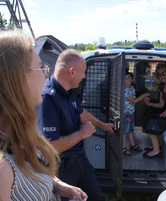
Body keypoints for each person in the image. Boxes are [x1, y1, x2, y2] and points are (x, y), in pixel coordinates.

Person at [0, 30, 87, 201]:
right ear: (16, 77)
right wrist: (82, 133)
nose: (45, 75)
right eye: (40, 67)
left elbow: (33, 166)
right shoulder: (3, 169)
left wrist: (55, 184)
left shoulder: (21, 132)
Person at [37, 49, 114, 201]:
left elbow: (81, 113)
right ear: (71, 72)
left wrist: (102, 125)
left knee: (96, 197)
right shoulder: (47, 99)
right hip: (62, 170)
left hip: (80, 159)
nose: (85, 76)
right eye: (83, 72)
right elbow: (50, 146)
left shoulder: (70, 90)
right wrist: (81, 134)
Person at [143, 63, 166, 158]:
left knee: (152, 123)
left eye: (163, 73)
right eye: (159, 74)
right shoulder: (162, 87)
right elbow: (161, 105)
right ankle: (156, 144)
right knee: (148, 119)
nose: (161, 76)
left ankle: (156, 150)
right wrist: (149, 104)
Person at [123, 72, 149, 155]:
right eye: (125, 78)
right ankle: (123, 147)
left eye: (129, 77)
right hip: (125, 113)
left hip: (131, 112)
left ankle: (132, 144)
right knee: (124, 131)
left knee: (131, 130)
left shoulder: (132, 88)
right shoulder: (124, 89)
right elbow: (133, 101)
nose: (128, 79)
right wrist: (143, 96)